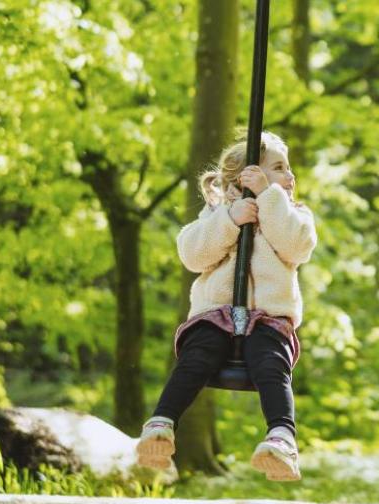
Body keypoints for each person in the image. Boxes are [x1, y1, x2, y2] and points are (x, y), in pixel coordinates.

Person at [135, 131, 317, 481]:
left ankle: (281, 437)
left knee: (271, 363)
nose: (290, 176)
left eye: (287, 169)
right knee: (197, 354)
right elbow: (193, 255)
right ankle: (161, 423)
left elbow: (297, 247)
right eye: (279, 168)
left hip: (269, 316)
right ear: (245, 175)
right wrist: (230, 220)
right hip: (215, 313)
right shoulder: (218, 213)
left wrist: (269, 197)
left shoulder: (293, 214)